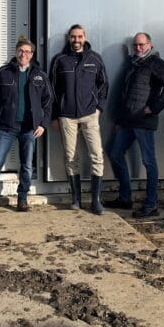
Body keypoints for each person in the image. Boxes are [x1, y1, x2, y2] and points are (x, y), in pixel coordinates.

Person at [0, 39, 53, 218]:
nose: (23, 54)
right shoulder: (3, 73)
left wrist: (43, 124)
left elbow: (48, 102)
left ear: (32, 55)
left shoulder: (40, 75)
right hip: (6, 128)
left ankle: (22, 199)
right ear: (16, 52)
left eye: (27, 51)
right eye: (20, 51)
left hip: (29, 129)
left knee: (26, 166)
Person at [105, 32, 164, 219]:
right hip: (128, 121)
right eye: (135, 45)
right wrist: (120, 121)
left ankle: (151, 204)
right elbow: (126, 94)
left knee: (149, 162)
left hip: (144, 122)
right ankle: (125, 198)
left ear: (150, 44)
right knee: (115, 153)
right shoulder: (133, 64)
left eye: (141, 45)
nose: (138, 48)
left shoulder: (156, 64)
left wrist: (153, 108)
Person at [49, 24, 108, 214]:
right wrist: (55, 115)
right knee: (70, 157)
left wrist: (99, 108)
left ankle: (96, 200)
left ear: (85, 37)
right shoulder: (59, 60)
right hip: (67, 117)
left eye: (80, 37)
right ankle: (76, 199)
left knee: (97, 155)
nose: (76, 40)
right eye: (73, 37)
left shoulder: (95, 59)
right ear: (69, 38)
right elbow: (51, 90)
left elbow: (104, 85)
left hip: (90, 115)